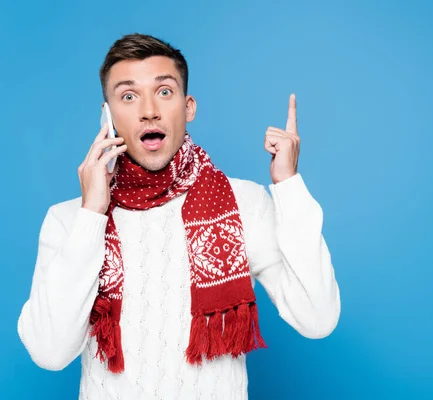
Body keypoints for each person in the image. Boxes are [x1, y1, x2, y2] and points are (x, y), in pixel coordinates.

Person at [17, 33, 340, 400]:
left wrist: (288, 186)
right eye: (128, 96)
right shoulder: (68, 220)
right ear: (106, 115)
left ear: (188, 108)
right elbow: (49, 353)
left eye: (164, 91)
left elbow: (318, 318)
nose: (149, 110)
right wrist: (91, 213)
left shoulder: (243, 203)